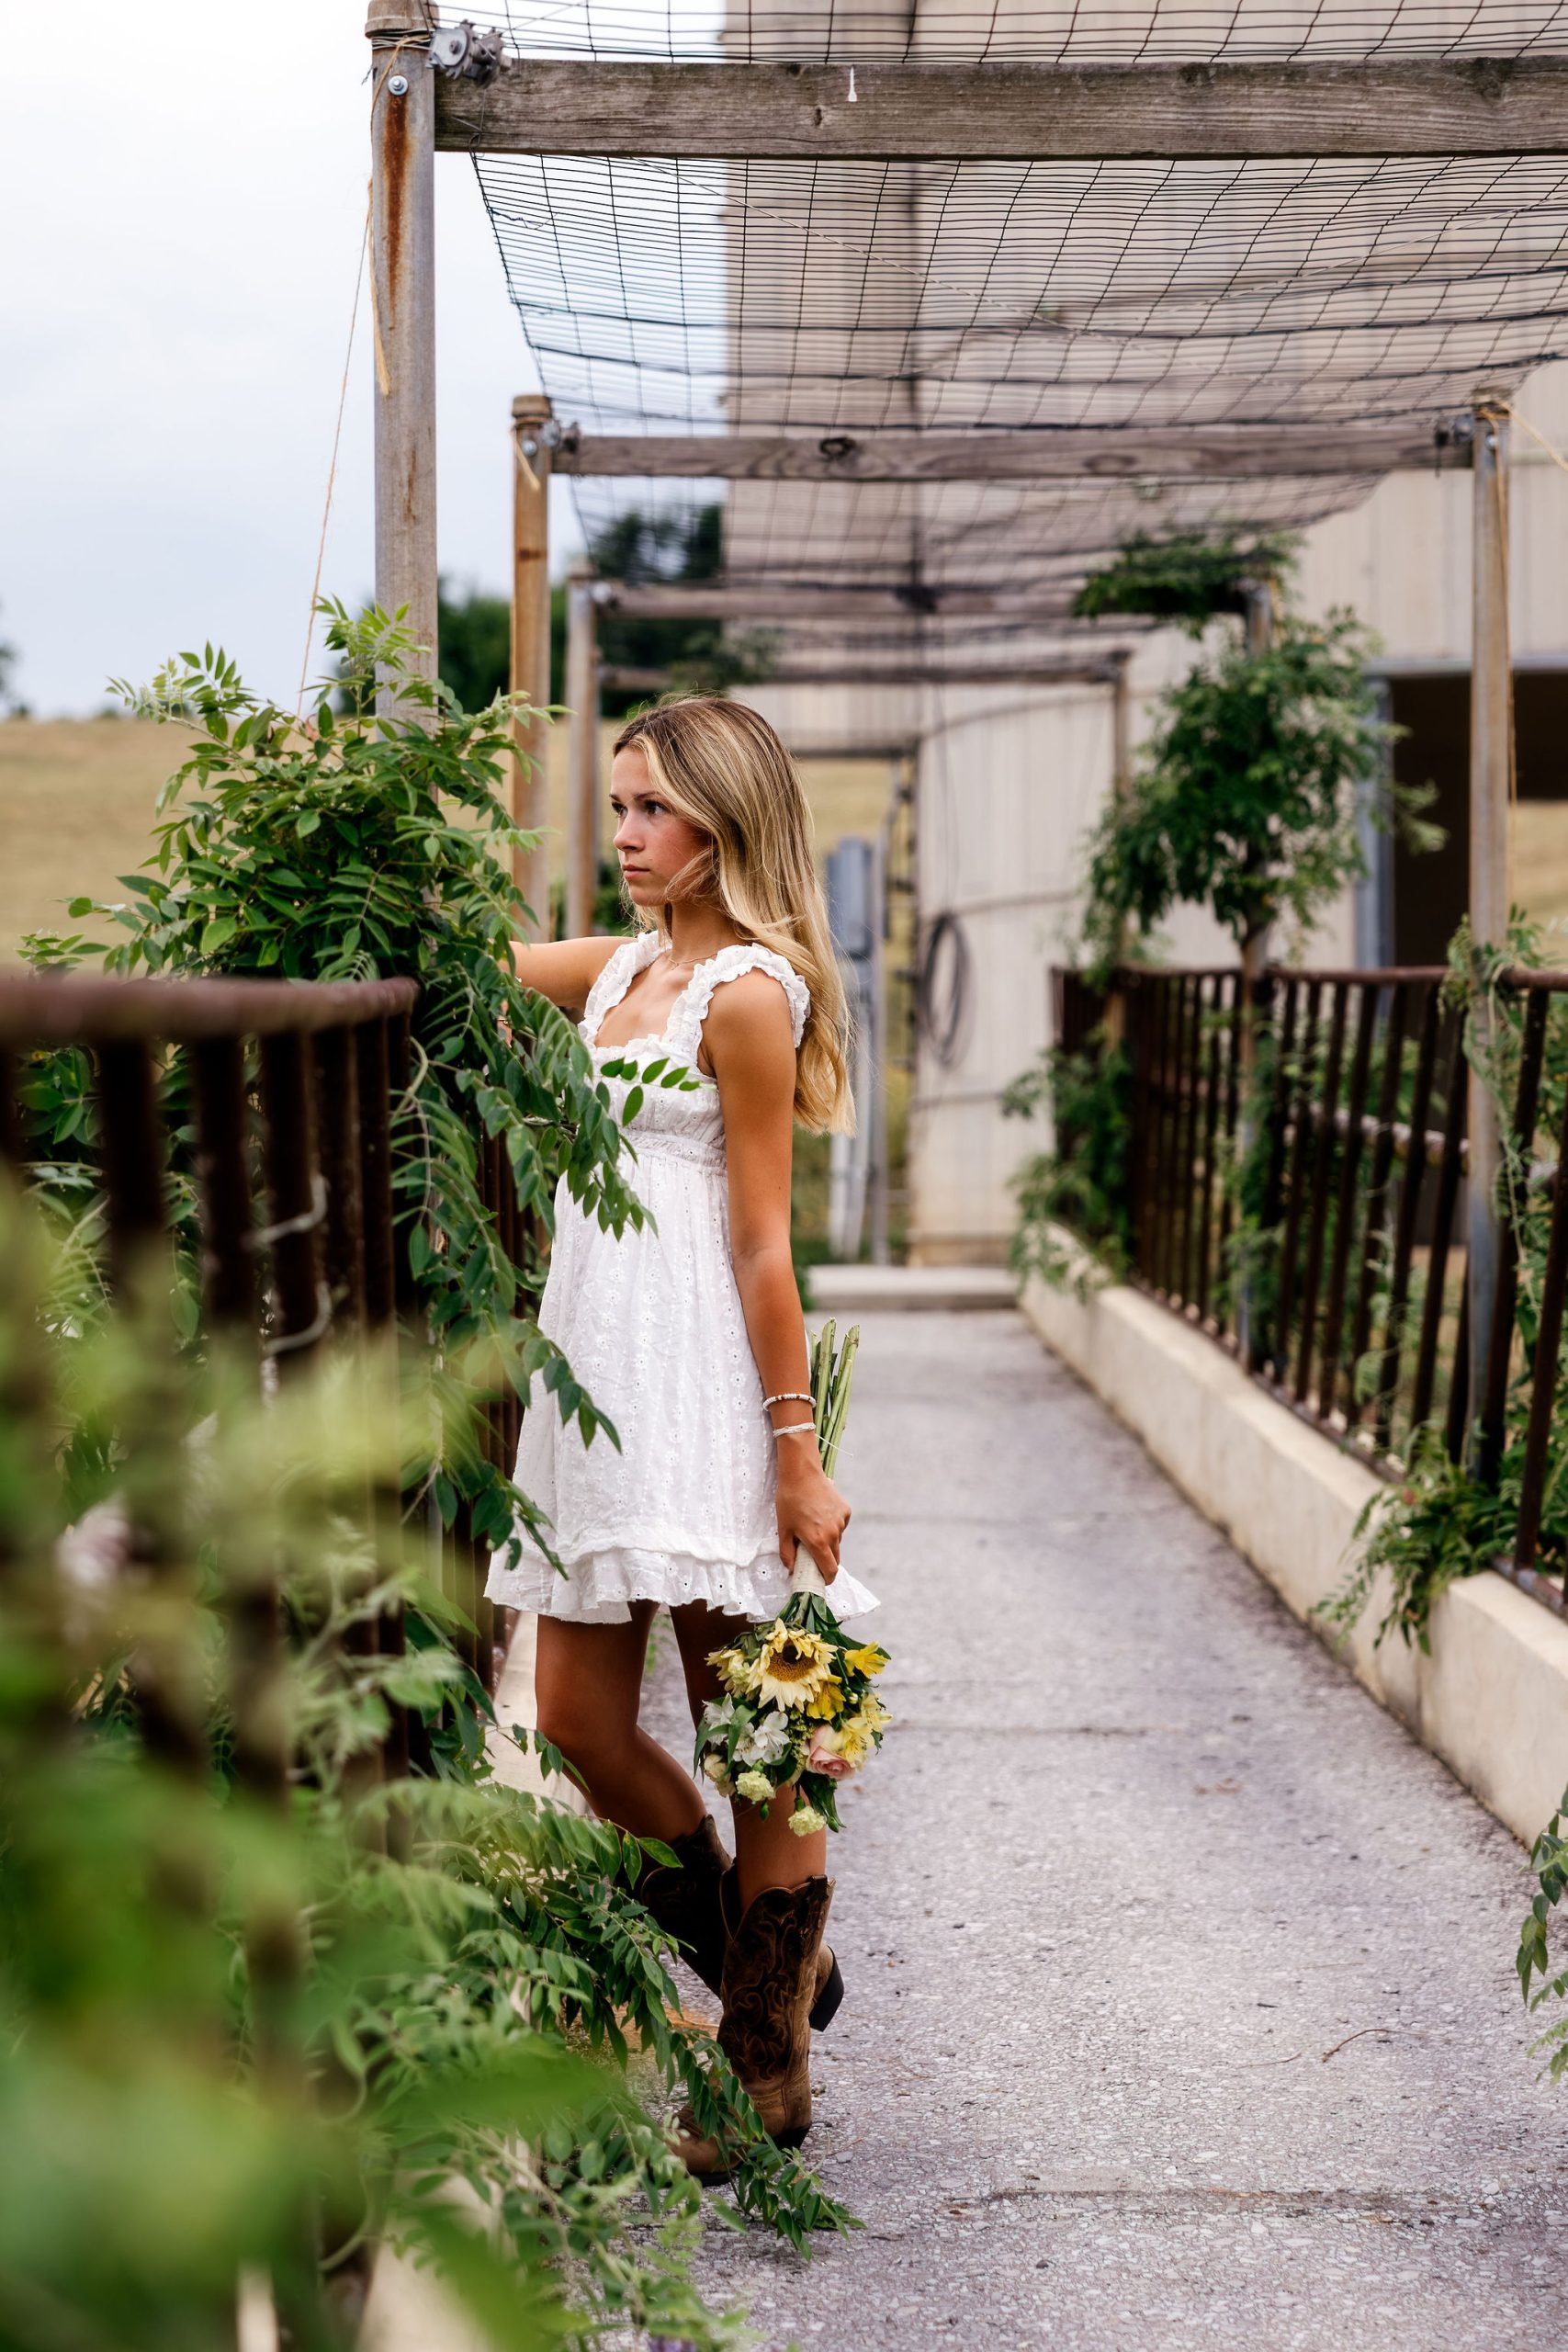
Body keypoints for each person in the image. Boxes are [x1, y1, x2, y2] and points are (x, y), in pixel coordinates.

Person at [487, 695, 878, 2170]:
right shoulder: (617, 970)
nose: (628, 834)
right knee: (579, 1723)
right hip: (595, 1385)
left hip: (706, 1387)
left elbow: (765, 1244)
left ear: (725, 819)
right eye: (620, 806)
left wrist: (796, 1447)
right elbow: (453, 968)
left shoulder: (751, 996)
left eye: (654, 808)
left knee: (757, 1731)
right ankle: (756, 1957)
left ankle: (765, 2066)